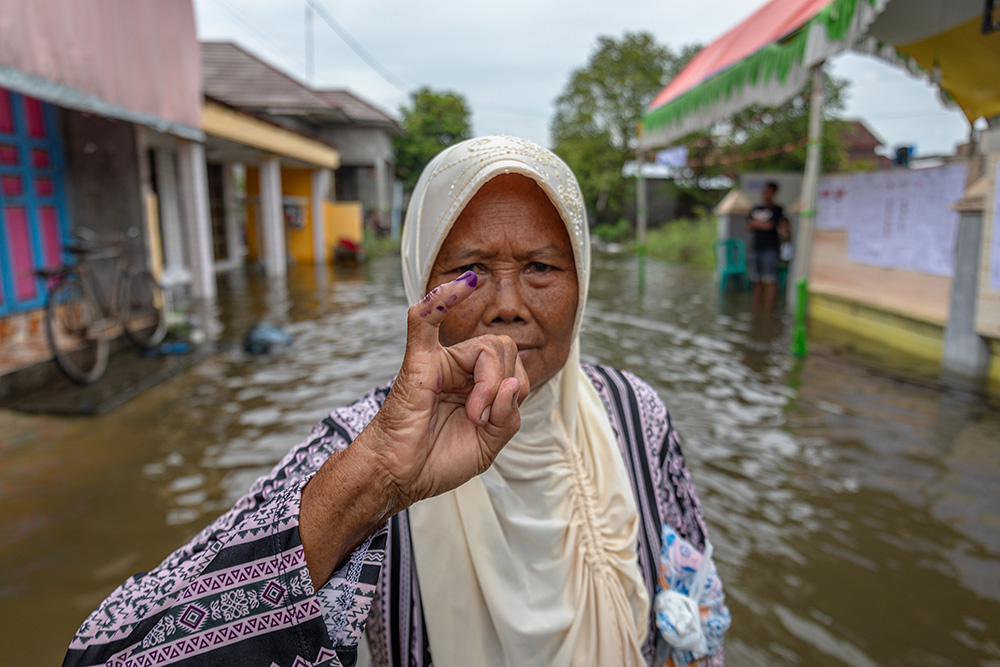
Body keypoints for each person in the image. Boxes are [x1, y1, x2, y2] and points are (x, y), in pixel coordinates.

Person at [65, 136, 726, 667]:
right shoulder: (366, 443)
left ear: (582, 280)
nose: (506, 305)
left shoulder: (634, 415)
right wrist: (377, 478)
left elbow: (696, 607)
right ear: (420, 280)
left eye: (541, 268)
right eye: (469, 271)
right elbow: (110, 653)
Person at [746, 181, 789, 312]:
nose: (765, 194)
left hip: (770, 248)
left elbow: (770, 226)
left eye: (769, 191)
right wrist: (763, 225)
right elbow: (748, 225)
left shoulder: (777, 209)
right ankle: (757, 308)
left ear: (774, 193)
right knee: (756, 279)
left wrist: (757, 224)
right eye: (764, 191)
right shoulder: (756, 208)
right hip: (756, 247)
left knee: (771, 279)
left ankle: (770, 309)